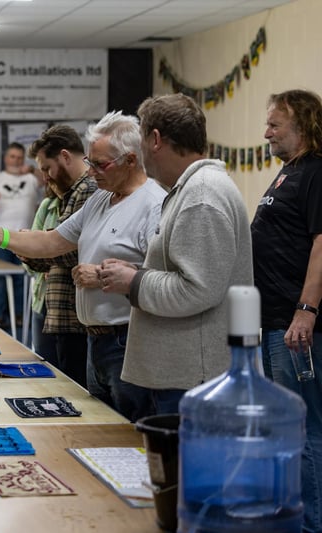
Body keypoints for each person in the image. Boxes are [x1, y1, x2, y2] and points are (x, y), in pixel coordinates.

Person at [0, 111, 165, 422]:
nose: (92, 171)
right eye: (90, 161)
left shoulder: (154, 204)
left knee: (132, 436)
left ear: (130, 160)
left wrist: (103, 275)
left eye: (100, 164)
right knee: (99, 432)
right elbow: (52, 241)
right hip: (95, 340)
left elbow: (161, 281)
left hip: (129, 342)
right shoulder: (101, 199)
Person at [99, 93, 253, 415]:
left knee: (182, 467)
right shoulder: (194, 188)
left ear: (155, 139)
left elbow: (197, 289)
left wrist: (134, 281)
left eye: (141, 139)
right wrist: (138, 272)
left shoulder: (201, 195)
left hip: (190, 382)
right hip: (184, 376)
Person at [251, 89, 322, 532]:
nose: (267, 132)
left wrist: (306, 309)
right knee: (286, 428)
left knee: (304, 430)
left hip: (295, 326)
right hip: (273, 321)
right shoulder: (288, 173)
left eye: (275, 125)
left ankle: (311, 525)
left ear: (304, 127)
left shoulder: (316, 171)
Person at [20, 125, 96, 388]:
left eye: (46, 168)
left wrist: (17, 241)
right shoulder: (72, 193)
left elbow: (62, 249)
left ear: (65, 157)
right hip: (64, 315)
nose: (45, 177)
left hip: (75, 319)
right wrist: (26, 244)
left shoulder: (87, 190)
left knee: (73, 395)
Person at [0, 142, 40, 330]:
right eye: (12, 156)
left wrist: (32, 169)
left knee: (23, 277)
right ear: (5, 158)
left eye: (19, 157)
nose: (16, 160)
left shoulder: (31, 178)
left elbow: (47, 178)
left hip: (25, 236)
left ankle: (20, 316)